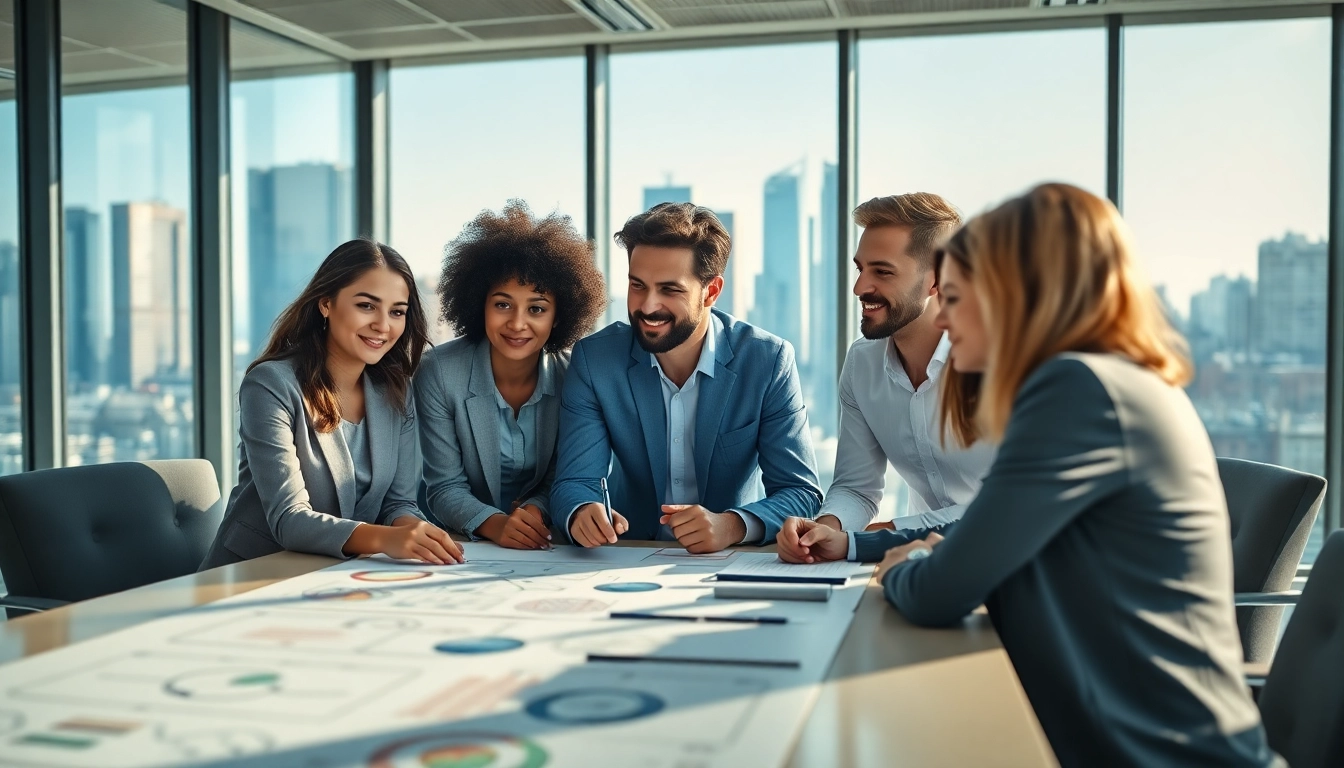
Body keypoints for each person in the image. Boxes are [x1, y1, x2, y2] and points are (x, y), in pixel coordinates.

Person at [881, 183, 1280, 767]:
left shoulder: (1078, 391)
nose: (941, 317)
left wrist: (904, 567)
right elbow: (988, 543)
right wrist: (936, 556)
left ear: (1018, 296)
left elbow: (939, 592)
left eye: (958, 297)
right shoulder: (1116, 382)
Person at [550, 202, 822, 552]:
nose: (648, 306)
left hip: (729, 557)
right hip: (627, 553)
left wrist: (732, 525)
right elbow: (574, 481)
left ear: (711, 291)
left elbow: (800, 491)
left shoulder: (767, 362)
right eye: (637, 285)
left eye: (669, 290)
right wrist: (581, 512)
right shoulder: (596, 360)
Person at [200, 239, 462, 569]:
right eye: (366, 306)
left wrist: (415, 531)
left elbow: (398, 504)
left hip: (340, 575)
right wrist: (386, 539)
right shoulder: (270, 384)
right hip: (253, 572)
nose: (383, 325)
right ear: (326, 304)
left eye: (397, 312)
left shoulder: (395, 391)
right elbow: (289, 519)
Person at [775, 193, 995, 565]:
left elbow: (1006, 508)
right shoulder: (862, 363)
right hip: (922, 567)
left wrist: (883, 534)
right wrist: (824, 529)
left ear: (937, 280)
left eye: (883, 272)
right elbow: (856, 488)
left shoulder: (999, 364)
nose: (860, 287)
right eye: (860, 269)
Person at [415, 202, 606, 549]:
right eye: (502, 304)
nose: (518, 323)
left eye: (536, 309)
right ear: (480, 304)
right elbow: (444, 487)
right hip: (463, 542)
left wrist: (536, 510)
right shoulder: (439, 372)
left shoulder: (574, 377)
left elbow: (565, 475)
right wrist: (496, 524)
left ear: (558, 316)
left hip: (547, 540)